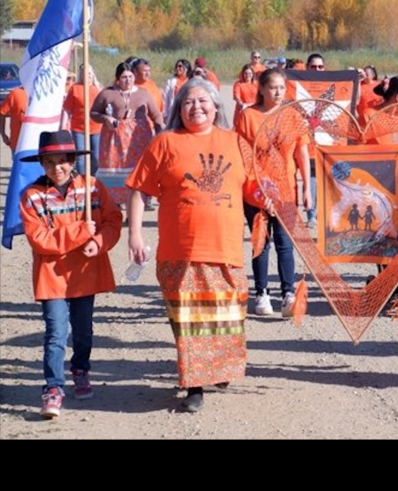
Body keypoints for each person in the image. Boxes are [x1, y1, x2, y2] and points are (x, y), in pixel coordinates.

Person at [126, 77, 264, 413]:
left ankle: (216, 369)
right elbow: (139, 191)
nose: (196, 107)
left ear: (217, 107)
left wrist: (269, 200)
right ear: (178, 108)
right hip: (180, 251)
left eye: (203, 101)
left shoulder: (236, 142)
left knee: (227, 317)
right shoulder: (165, 143)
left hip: (225, 249)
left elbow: (252, 190)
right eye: (188, 102)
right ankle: (194, 386)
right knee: (188, 321)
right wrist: (135, 235)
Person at [19, 130, 121, 418]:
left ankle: (81, 368)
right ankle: (53, 387)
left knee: (83, 331)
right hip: (52, 276)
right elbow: (40, 239)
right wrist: (79, 231)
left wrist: (99, 242)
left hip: (85, 273)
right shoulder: (32, 196)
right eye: (49, 162)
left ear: (74, 160)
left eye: (63, 161)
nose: (57, 168)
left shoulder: (93, 188)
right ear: (41, 164)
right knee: (55, 333)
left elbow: (114, 219)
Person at [235, 68, 312, 317]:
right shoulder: (248, 116)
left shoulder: (292, 116)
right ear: (262, 89)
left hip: (285, 191)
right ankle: (262, 293)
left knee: (284, 243)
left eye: (281, 87)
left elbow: (302, 153)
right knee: (261, 243)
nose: (278, 92)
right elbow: (242, 156)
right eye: (272, 88)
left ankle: (288, 295)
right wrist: (258, 191)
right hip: (255, 191)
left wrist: (307, 189)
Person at [90, 62, 164, 206]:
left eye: (130, 77)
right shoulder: (107, 93)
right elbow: (93, 113)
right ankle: (115, 204)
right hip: (114, 140)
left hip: (138, 139)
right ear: (117, 79)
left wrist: (160, 130)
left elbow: (156, 115)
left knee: (137, 171)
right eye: (124, 77)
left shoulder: (143, 94)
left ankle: (137, 203)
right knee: (116, 172)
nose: (128, 80)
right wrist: (106, 118)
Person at [60, 65, 103, 176]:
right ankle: (82, 180)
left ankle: (93, 181)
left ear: (92, 74)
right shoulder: (75, 88)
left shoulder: (99, 89)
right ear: (81, 75)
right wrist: (63, 126)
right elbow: (67, 109)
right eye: (84, 73)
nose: (87, 76)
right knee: (81, 156)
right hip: (79, 128)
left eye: (89, 73)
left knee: (95, 157)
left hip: (96, 128)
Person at [161, 59, 192, 123]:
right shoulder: (170, 82)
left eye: (180, 66)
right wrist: (165, 114)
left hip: (187, 111)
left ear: (186, 68)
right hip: (174, 111)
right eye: (176, 66)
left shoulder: (191, 81)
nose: (178, 68)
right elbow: (165, 98)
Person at [1, 84, 28, 150]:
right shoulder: (15, 93)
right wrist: (3, 134)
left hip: (38, 146)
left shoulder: (42, 94)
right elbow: (2, 113)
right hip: (17, 144)